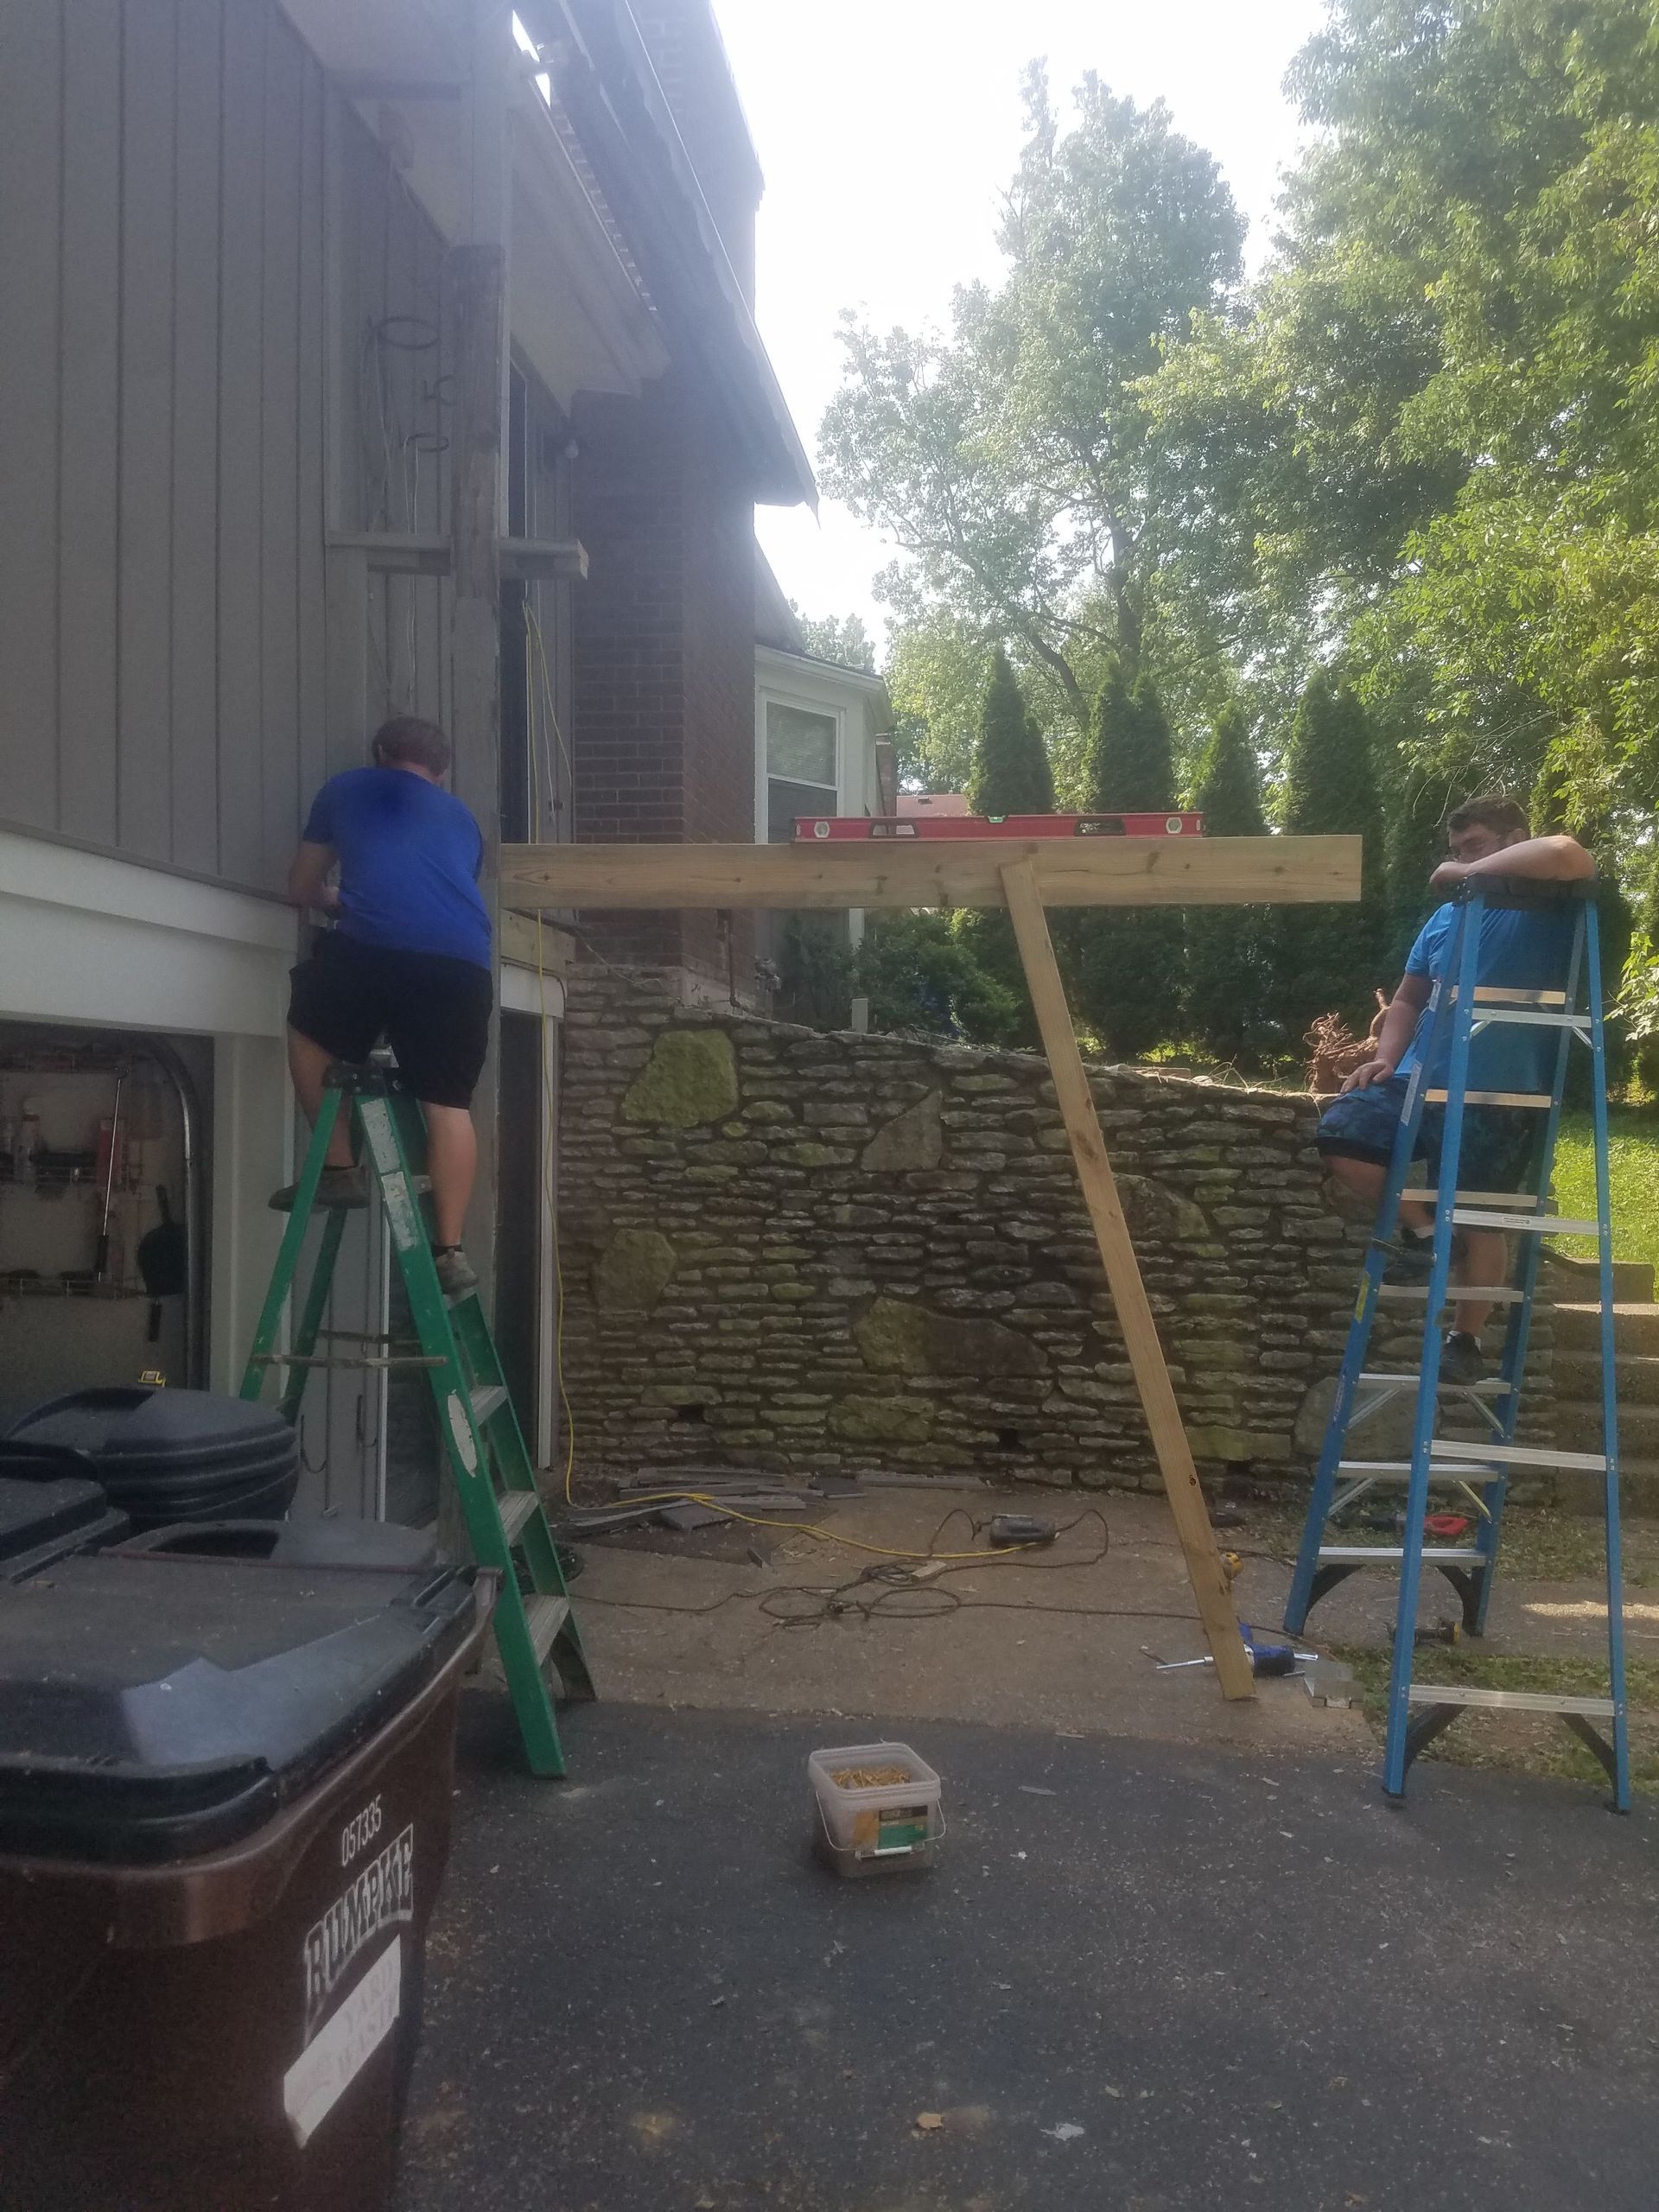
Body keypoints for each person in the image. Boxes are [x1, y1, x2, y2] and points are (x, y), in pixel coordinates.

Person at [1316, 796, 1594, 1382]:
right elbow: (1409, 998)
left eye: (1476, 846)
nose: (1463, 858)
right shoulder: (1443, 919)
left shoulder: (1545, 904)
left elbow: (1569, 853)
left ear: (1513, 837)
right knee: (1344, 1133)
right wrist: (1385, 1058)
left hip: (1501, 1092)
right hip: (1420, 1079)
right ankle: (1420, 1229)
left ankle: (1465, 1340)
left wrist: (1465, 875)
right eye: (1457, 849)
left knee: (1479, 1218)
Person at [277, 716, 492, 1297]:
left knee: (307, 1026)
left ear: (378, 753)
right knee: (448, 1104)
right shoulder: (464, 819)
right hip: (465, 962)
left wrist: (337, 900)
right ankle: (451, 1253)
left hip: (376, 948)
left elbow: (300, 887)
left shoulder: (346, 787)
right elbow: (439, 894)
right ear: (440, 773)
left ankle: (341, 1169)